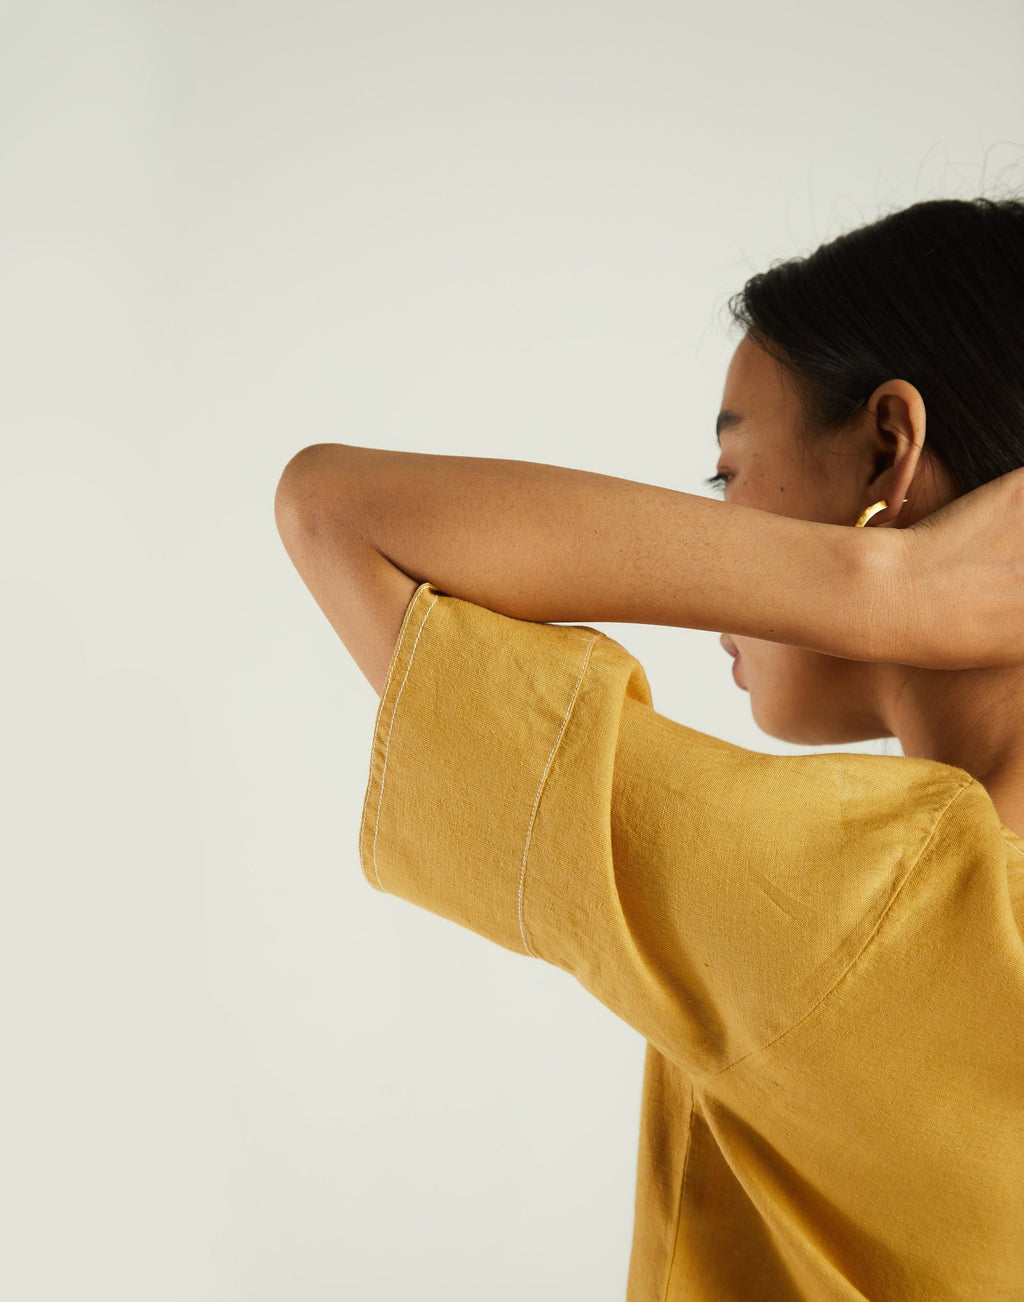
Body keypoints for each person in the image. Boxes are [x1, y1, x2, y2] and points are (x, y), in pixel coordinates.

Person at [274, 196, 1024, 1300]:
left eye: (727, 475)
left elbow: (335, 514)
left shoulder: (868, 907)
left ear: (885, 453)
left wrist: (880, 585)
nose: (713, 517)